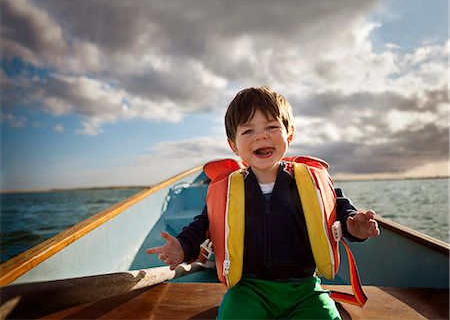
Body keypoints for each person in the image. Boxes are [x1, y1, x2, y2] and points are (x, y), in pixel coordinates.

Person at [146, 86, 380, 319]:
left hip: (305, 288)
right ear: (234, 145)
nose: (261, 136)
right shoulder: (227, 191)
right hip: (249, 289)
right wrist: (183, 247)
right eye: (248, 131)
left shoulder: (310, 183)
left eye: (271, 127)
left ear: (289, 135)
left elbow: (338, 207)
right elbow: (203, 224)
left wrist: (353, 226)